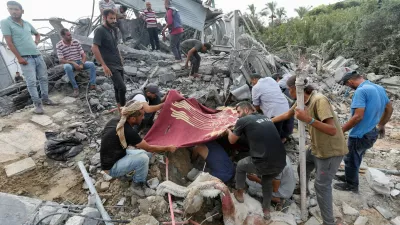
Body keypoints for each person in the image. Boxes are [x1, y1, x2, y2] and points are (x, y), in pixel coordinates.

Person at [272, 75, 348, 225]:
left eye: (288, 90)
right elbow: (288, 114)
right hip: (316, 146)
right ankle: (304, 191)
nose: (288, 93)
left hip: (330, 151)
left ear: (295, 89)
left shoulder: (319, 100)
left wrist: (308, 119)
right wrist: (268, 122)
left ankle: (328, 222)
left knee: (321, 186)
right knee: (303, 166)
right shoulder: (301, 101)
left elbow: (332, 130)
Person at [100, 101, 177, 196]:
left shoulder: (117, 120)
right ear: (132, 118)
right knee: (143, 159)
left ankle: (125, 173)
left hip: (117, 155)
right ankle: (137, 185)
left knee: (147, 155)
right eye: (141, 116)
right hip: (111, 167)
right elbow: (149, 148)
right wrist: (168, 148)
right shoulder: (128, 131)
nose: (143, 118)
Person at [334, 71, 393, 193]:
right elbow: (389, 108)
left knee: (351, 158)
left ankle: (351, 185)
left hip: (360, 133)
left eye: (347, 85)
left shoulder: (361, 91)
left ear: (350, 82)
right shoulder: (378, 88)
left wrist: (341, 130)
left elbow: (357, 117)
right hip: (372, 132)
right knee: (357, 156)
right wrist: (381, 125)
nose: (349, 88)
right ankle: (349, 176)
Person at [227, 101, 286, 220]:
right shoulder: (265, 117)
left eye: (239, 112)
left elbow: (232, 141)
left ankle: (239, 193)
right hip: (280, 161)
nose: (238, 115)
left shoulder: (243, 120)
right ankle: (266, 209)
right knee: (267, 181)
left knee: (241, 166)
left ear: (247, 110)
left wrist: (228, 130)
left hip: (263, 162)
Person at [1, 1, 55, 114]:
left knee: (44, 78)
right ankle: (38, 105)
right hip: (26, 58)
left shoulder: (27, 23)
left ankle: (45, 99)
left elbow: (37, 33)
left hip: (38, 55)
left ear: (22, 11)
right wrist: (19, 58)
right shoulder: (5, 22)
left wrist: (36, 42)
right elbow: (9, 43)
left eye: (16, 9)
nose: (13, 11)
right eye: (10, 9)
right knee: (31, 82)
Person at [92, 9, 126, 112]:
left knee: (117, 87)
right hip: (109, 64)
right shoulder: (100, 30)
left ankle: (120, 109)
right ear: (104, 18)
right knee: (122, 88)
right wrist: (103, 65)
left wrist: (120, 58)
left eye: (114, 18)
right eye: (111, 18)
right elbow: (94, 47)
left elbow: (116, 46)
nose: (113, 20)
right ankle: (124, 110)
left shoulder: (113, 30)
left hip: (118, 63)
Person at [56, 28, 97, 97]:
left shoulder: (76, 42)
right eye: (68, 35)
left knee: (91, 64)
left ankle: (92, 84)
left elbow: (83, 55)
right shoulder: (59, 45)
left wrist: (81, 64)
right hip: (69, 63)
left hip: (79, 61)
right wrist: (73, 63)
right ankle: (75, 88)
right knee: (67, 67)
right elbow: (61, 60)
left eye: (70, 34)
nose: (71, 36)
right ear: (63, 36)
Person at [250, 74, 291, 142]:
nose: (252, 84)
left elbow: (256, 105)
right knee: (283, 126)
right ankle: (284, 137)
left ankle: (278, 144)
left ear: (254, 79)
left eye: (252, 82)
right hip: (285, 106)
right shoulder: (270, 79)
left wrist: (260, 112)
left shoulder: (256, 87)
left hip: (275, 111)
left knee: (274, 131)